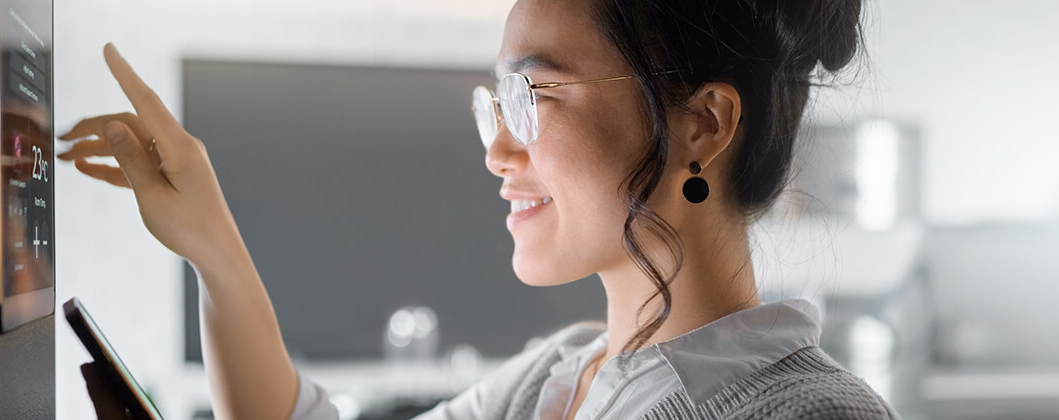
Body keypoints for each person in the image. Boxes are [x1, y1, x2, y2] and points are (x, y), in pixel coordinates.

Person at [61, 0, 897, 418]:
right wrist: (212, 245)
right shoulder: (553, 381)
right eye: (495, 102)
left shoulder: (810, 417)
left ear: (704, 124)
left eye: (531, 95)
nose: (497, 149)